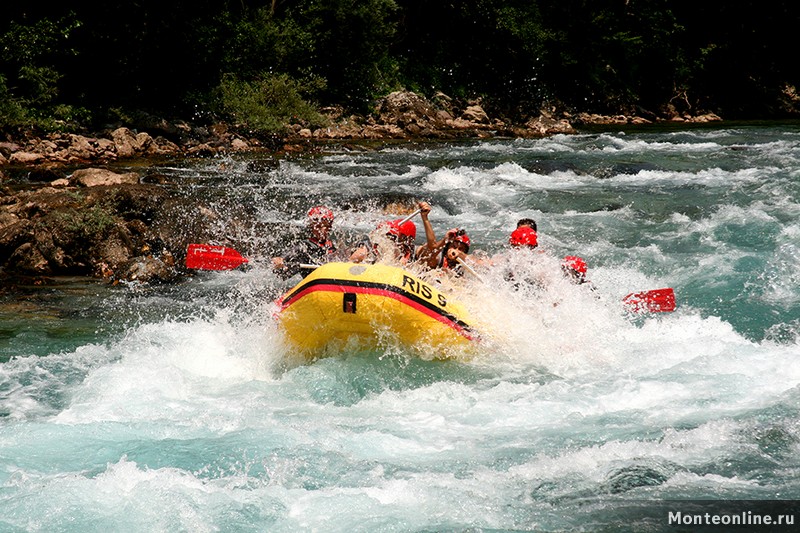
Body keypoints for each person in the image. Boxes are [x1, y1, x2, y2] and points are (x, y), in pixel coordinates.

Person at [272, 205, 337, 279]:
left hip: (330, 278)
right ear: (312, 227)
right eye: (318, 226)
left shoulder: (332, 245)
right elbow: (285, 256)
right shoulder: (304, 246)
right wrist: (280, 260)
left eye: (326, 226)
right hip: (313, 281)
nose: (322, 230)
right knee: (300, 259)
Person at [349, 215, 418, 265]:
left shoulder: (409, 252)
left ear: (408, 241)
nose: (391, 240)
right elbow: (349, 265)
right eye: (389, 236)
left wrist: (425, 219)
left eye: (394, 238)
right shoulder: (366, 250)